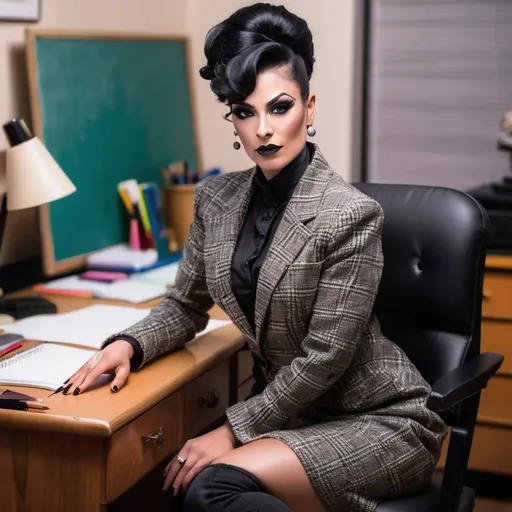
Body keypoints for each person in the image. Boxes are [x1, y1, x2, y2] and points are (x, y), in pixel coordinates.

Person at [65, 4, 447, 511]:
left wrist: (231, 429)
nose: (263, 128)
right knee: (177, 480)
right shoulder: (215, 199)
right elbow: (185, 305)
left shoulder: (350, 215)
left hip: (377, 419)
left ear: (309, 110)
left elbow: (324, 359)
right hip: (293, 417)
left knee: (210, 484)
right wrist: (131, 346)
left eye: (280, 107)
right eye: (245, 112)